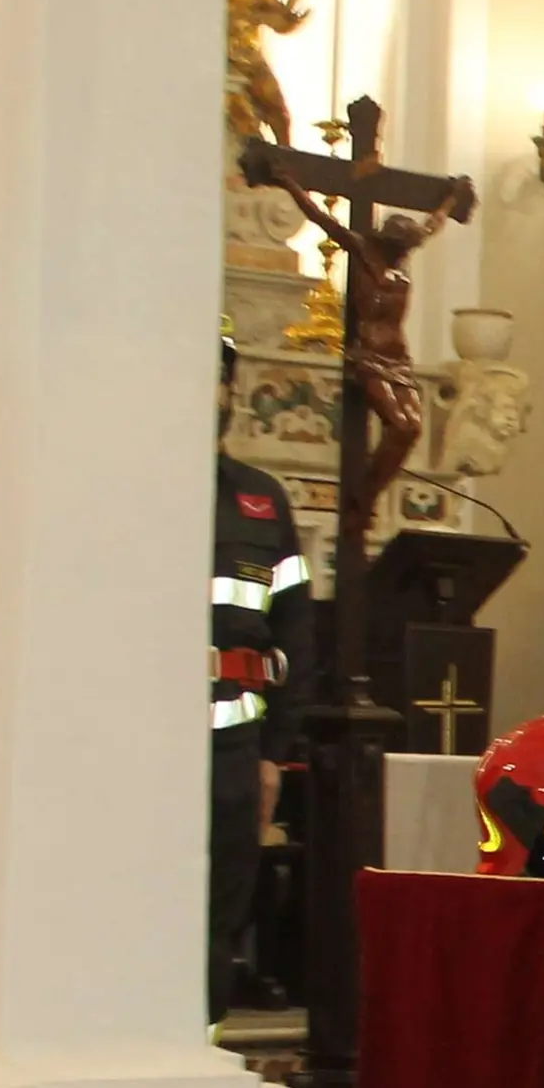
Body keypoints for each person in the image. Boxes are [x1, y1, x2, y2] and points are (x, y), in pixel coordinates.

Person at [211, 335, 311, 1025]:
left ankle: (201, 1046)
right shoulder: (126, 493)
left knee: (221, 908)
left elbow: (296, 629)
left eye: (217, 381)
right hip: (136, 748)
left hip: (235, 751)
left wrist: (275, 750)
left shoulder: (262, 500)